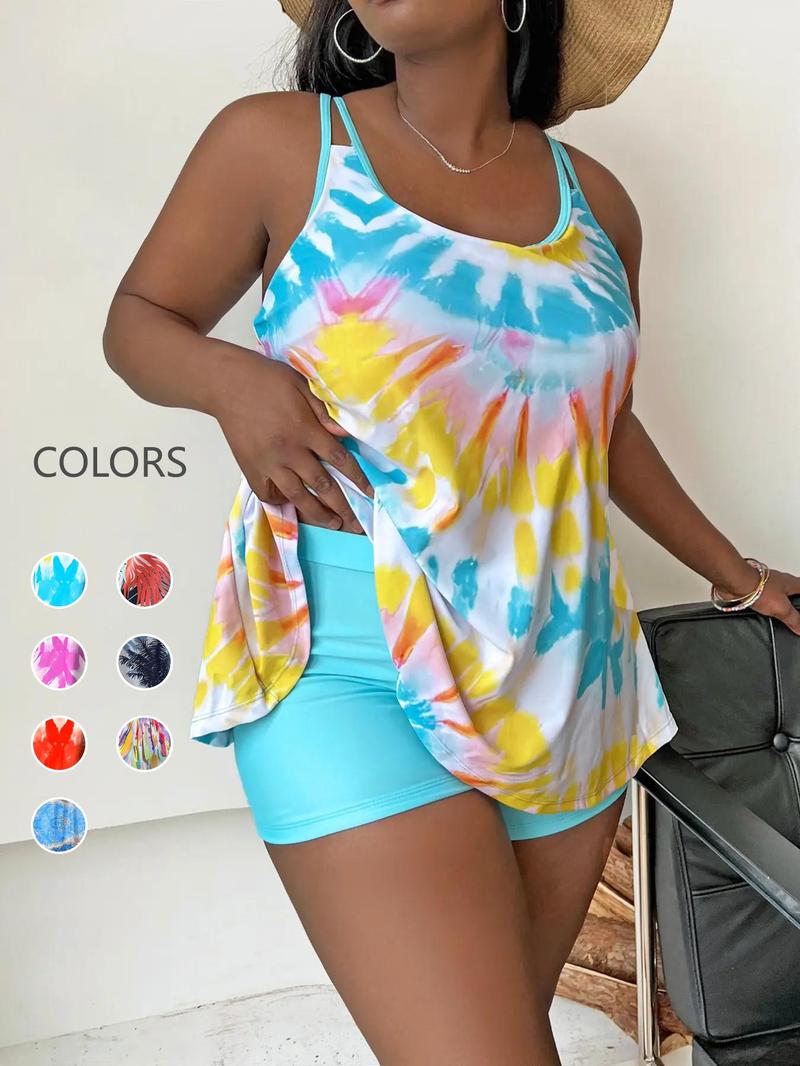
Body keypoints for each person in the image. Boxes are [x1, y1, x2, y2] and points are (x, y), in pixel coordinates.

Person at [102, 2, 800, 1062]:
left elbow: (599, 425)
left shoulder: (599, 204)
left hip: (569, 678)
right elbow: (140, 319)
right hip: (349, 665)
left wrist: (733, 574)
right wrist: (230, 382)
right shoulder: (279, 144)